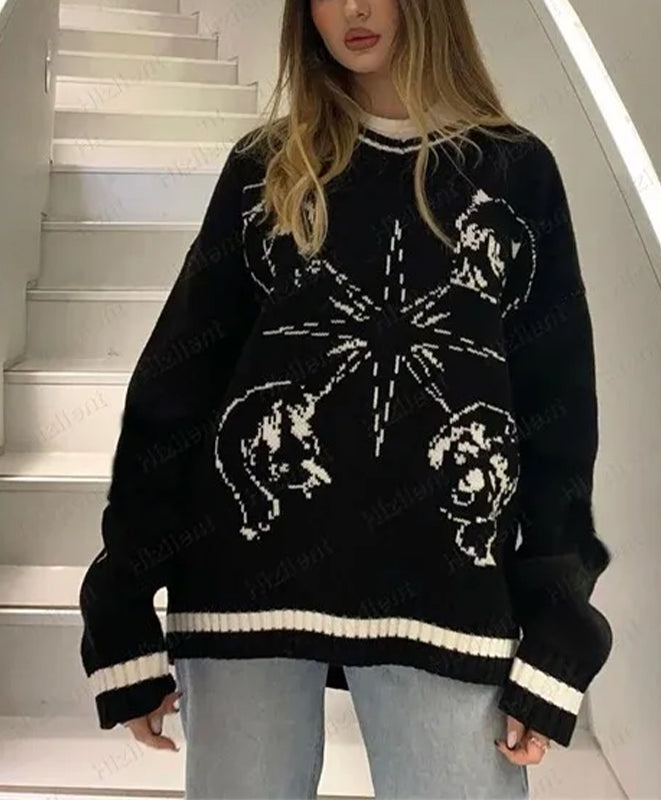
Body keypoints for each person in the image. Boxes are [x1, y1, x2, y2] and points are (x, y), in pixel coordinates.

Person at [78, 0, 613, 797]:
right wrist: (122, 599)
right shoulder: (268, 169)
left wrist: (556, 624)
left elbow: (556, 414)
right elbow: (178, 390)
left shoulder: (513, 173)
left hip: (445, 593)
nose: (353, 8)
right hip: (245, 586)